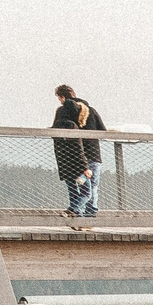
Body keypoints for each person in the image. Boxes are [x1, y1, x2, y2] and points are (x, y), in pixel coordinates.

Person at [51, 85, 106, 217]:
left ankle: (77, 213)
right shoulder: (91, 110)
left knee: (75, 187)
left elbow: (56, 131)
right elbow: (103, 131)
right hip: (92, 152)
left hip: (72, 154)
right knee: (92, 186)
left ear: (62, 97)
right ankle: (90, 214)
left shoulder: (62, 111)